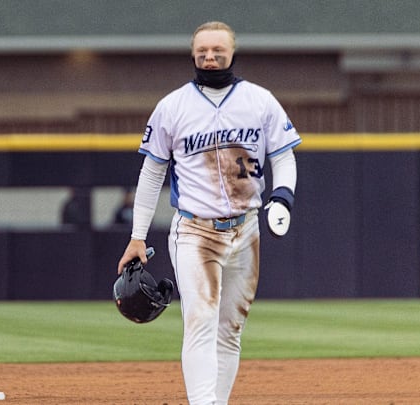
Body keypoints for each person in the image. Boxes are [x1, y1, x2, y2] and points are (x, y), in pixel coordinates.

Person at [116, 21, 301, 405]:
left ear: (232, 52)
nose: (210, 57)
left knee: (230, 330)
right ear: (193, 54)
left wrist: (282, 197)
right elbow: (152, 173)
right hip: (196, 232)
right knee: (200, 323)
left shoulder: (260, 101)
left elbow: (284, 156)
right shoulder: (173, 106)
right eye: (202, 51)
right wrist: (137, 235)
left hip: (247, 228)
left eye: (217, 50)